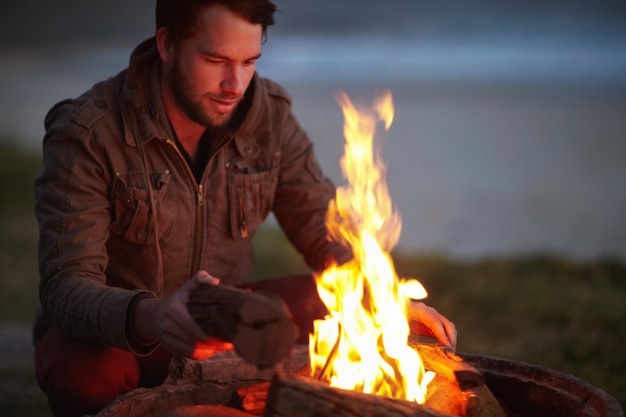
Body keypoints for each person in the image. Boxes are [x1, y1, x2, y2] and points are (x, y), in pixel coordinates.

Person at [33, 1, 457, 416]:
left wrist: (382, 297)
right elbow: (66, 288)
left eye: (249, 61)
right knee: (85, 372)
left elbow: (319, 222)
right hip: (130, 334)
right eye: (215, 60)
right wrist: (153, 315)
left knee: (336, 301)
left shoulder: (267, 114)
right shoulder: (89, 134)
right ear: (166, 44)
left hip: (227, 321)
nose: (235, 85)